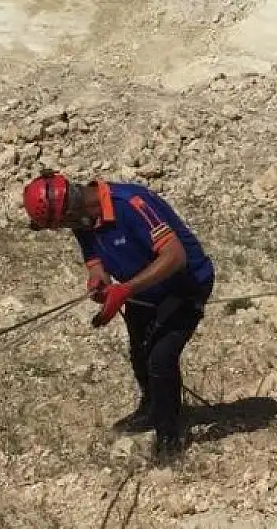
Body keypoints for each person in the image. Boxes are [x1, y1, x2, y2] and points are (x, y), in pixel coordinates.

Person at [22, 169, 215, 463]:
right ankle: (151, 408)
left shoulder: (130, 203)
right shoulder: (83, 218)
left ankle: (169, 434)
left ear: (71, 209)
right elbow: (94, 257)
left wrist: (125, 290)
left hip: (184, 285)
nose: (67, 228)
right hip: (141, 289)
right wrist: (97, 280)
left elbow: (175, 256)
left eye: (63, 224)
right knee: (139, 351)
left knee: (161, 357)